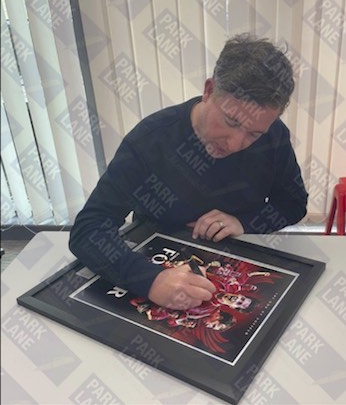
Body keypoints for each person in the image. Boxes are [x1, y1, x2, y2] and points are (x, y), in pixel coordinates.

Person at [69, 33, 308, 311]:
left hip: (240, 263)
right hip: (160, 261)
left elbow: (293, 203)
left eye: (254, 134)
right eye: (231, 121)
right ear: (209, 90)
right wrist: (149, 280)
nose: (235, 144)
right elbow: (89, 228)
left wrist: (245, 222)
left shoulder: (274, 136)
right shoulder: (151, 139)